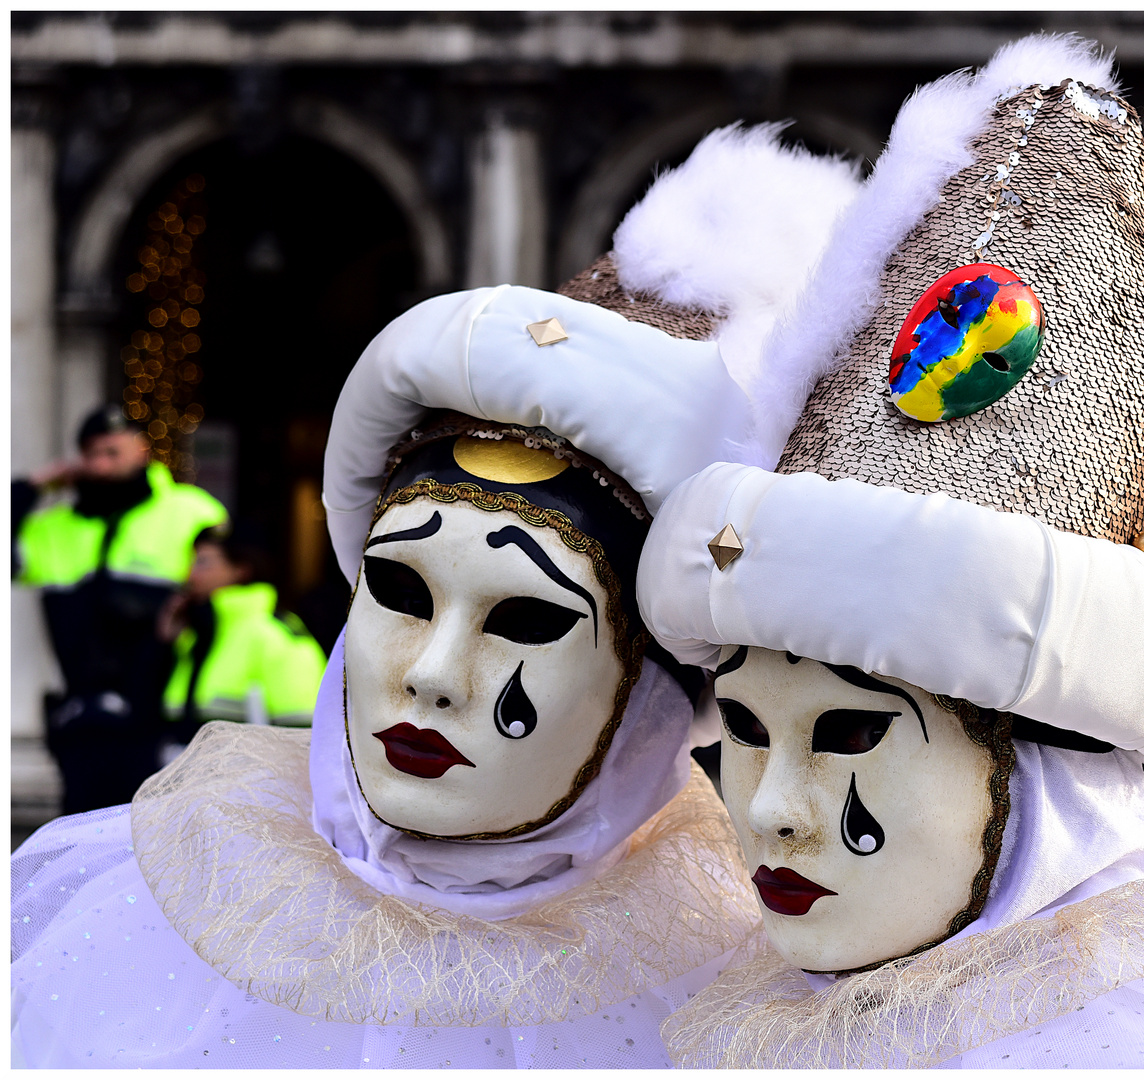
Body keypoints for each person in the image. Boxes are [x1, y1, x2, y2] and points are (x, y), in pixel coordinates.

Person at [638, 36, 1144, 1067]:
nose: (762, 812)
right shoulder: (719, 1027)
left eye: (847, 731)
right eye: (746, 730)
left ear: (1038, 772)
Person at [12, 124, 862, 1066]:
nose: (433, 675)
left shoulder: (754, 989)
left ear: (649, 695)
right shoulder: (130, 912)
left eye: (528, 619)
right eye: (401, 591)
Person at [12, 404, 227, 813]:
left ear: (142, 450)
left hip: (157, 720)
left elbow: (225, 609)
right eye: (92, 455)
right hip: (82, 724)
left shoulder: (190, 513)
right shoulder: (54, 527)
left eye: (113, 452)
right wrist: (33, 486)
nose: (102, 466)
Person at [155, 524, 327, 760]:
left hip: (248, 794)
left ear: (241, 570)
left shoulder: (275, 634)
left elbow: (304, 739)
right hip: (187, 789)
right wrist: (164, 645)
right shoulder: (192, 634)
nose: (189, 574)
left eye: (203, 562)